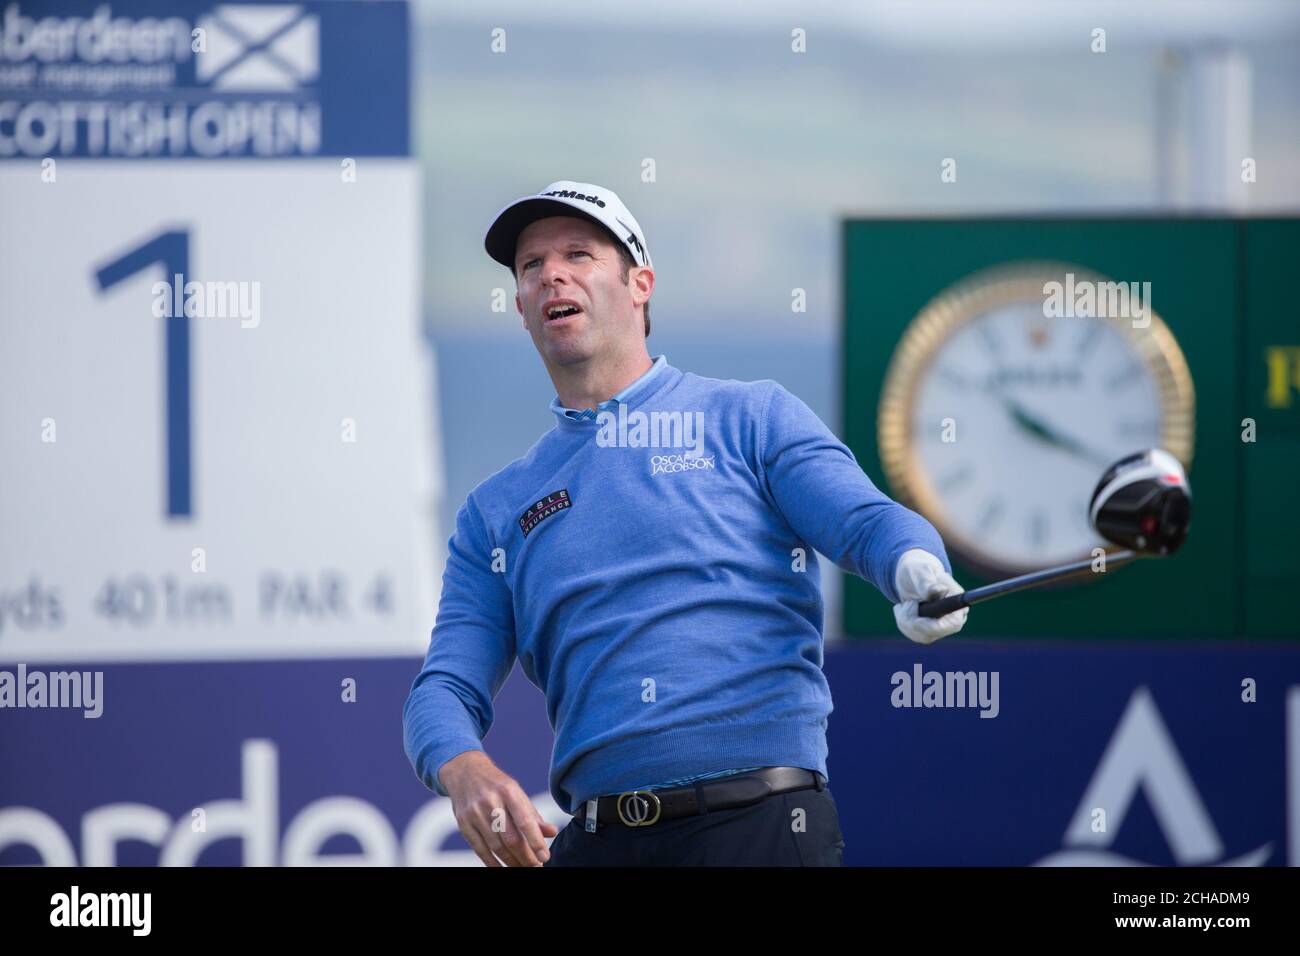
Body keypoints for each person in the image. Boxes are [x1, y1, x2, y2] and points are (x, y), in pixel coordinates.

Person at [402, 180, 968, 867]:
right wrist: (464, 768)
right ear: (524, 309)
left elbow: (864, 520)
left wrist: (914, 564)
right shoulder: (494, 511)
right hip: (598, 842)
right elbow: (443, 690)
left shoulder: (751, 417)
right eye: (531, 267)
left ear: (640, 284)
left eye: (579, 254)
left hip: (760, 826)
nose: (551, 273)